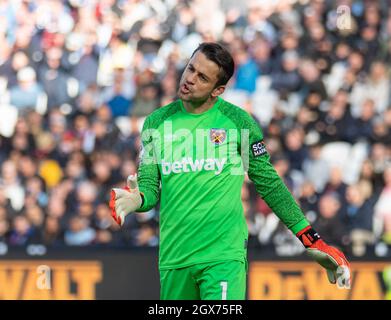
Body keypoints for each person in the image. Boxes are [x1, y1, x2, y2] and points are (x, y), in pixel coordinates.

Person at [109, 42, 351, 300]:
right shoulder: (156, 122)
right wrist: (139, 199)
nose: (190, 79)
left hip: (222, 256)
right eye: (191, 69)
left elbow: (270, 184)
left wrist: (310, 239)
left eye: (202, 77)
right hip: (173, 258)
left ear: (218, 90)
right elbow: (148, 186)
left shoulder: (238, 122)